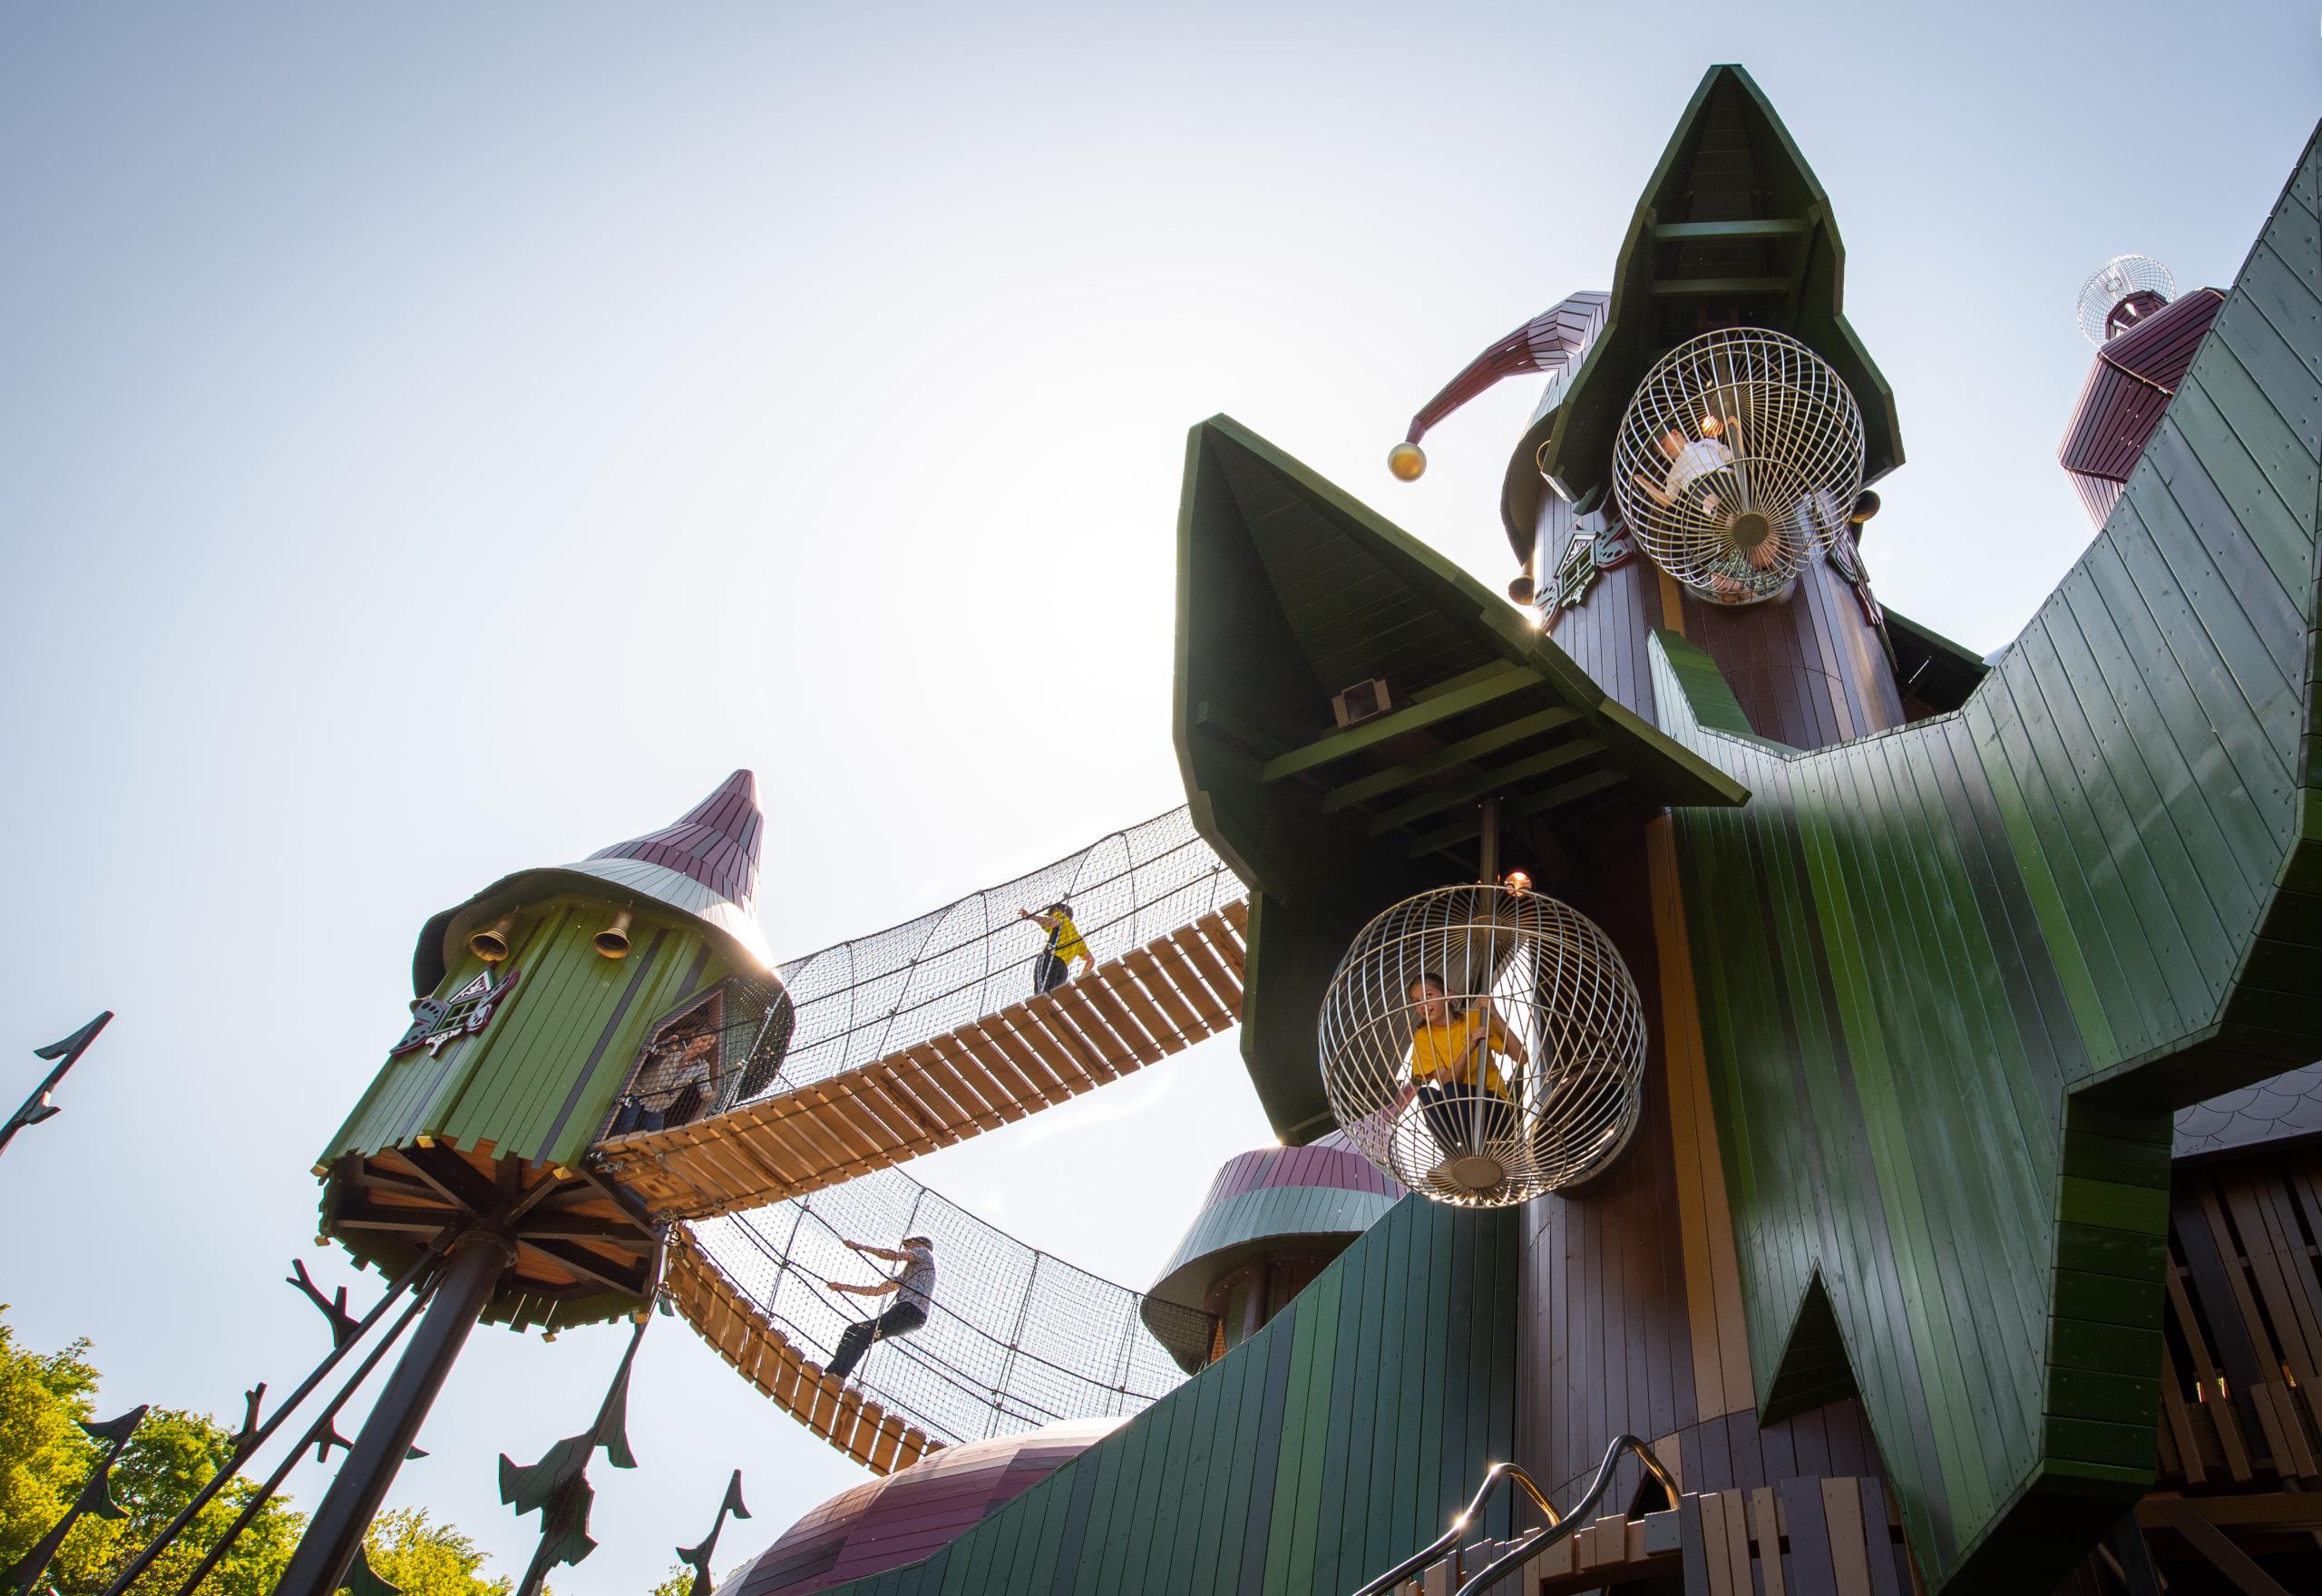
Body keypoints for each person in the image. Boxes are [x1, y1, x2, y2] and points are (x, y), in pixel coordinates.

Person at [1396, 972, 1529, 1160]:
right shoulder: (1423, 1036)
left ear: (1448, 996)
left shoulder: (1475, 1019)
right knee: (1426, 1094)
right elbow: (1444, 1082)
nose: (1422, 1005)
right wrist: (1469, 1047)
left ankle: (1471, 1154)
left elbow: (1521, 1057)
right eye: (1416, 1001)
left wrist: (1494, 1015)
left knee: (1452, 1091)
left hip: (1493, 1110)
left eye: (1429, 996)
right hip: (1459, 1116)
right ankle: (1453, 1157)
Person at [824, 1234, 936, 1382]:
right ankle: (833, 1372)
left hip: (910, 1310)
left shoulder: (923, 1252)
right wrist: (842, 1287)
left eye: (909, 1245)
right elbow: (877, 1291)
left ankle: (837, 1375)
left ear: (919, 1244)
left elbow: (894, 1256)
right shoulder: (907, 1276)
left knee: (865, 1332)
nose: (906, 1248)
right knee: (854, 1330)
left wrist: (860, 1247)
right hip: (909, 1314)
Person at [1018, 900, 1093, 996]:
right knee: (1052, 996)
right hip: (1063, 970)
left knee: (1041, 994)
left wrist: (1031, 917)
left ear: (1058, 910)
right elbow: (1091, 960)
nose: (1050, 916)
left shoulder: (1060, 916)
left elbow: (1053, 923)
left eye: (1051, 913)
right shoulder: (1078, 938)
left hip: (1051, 960)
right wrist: (1080, 980)